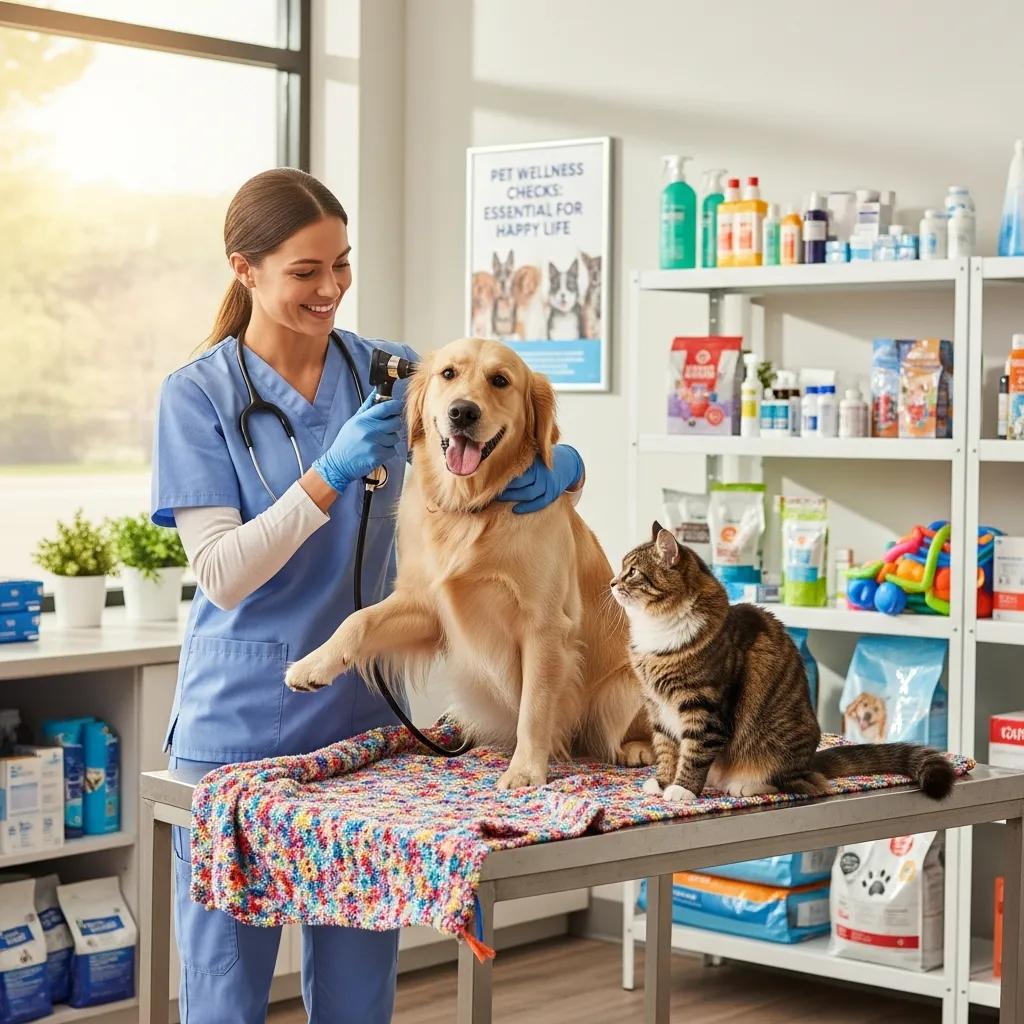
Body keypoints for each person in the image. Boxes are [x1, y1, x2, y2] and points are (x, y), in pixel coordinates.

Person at [150, 168, 586, 1024]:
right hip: (238, 725)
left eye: (341, 265)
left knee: (356, 1002)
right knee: (224, 998)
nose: (330, 288)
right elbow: (221, 572)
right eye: (305, 271)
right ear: (245, 269)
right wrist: (328, 474)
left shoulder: (393, 372)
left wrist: (563, 466)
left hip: (362, 731)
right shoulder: (196, 394)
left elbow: (495, 421)